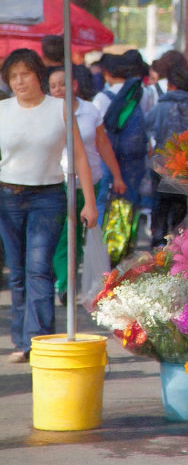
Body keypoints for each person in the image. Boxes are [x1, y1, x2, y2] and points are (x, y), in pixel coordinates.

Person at [0, 48, 98, 363]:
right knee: (17, 271)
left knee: (39, 268)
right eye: (12, 76)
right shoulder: (3, 111)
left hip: (48, 196)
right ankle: (22, 338)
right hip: (7, 197)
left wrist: (90, 203)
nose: (18, 81)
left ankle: (36, 340)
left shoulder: (59, 109)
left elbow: (80, 156)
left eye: (24, 74)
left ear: (38, 75)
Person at [46, 65, 125, 302]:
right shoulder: (47, 113)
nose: (58, 89)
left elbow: (103, 145)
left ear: (74, 85)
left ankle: (80, 279)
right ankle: (64, 285)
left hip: (93, 182)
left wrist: (117, 176)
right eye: (53, 86)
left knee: (84, 233)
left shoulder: (91, 110)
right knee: (63, 235)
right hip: (59, 183)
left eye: (62, 83)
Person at [92, 50, 150, 224]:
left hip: (109, 157)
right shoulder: (142, 93)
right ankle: (123, 243)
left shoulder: (101, 98)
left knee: (105, 198)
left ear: (107, 74)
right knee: (130, 199)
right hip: (135, 156)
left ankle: (105, 242)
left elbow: (96, 132)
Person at [146, 62, 188, 247]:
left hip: (160, 164)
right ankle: (179, 241)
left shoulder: (159, 108)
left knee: (159, 202)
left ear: (170, 86)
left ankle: (158, 241)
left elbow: (146, 128)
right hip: (185, 167)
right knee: (180, 202)